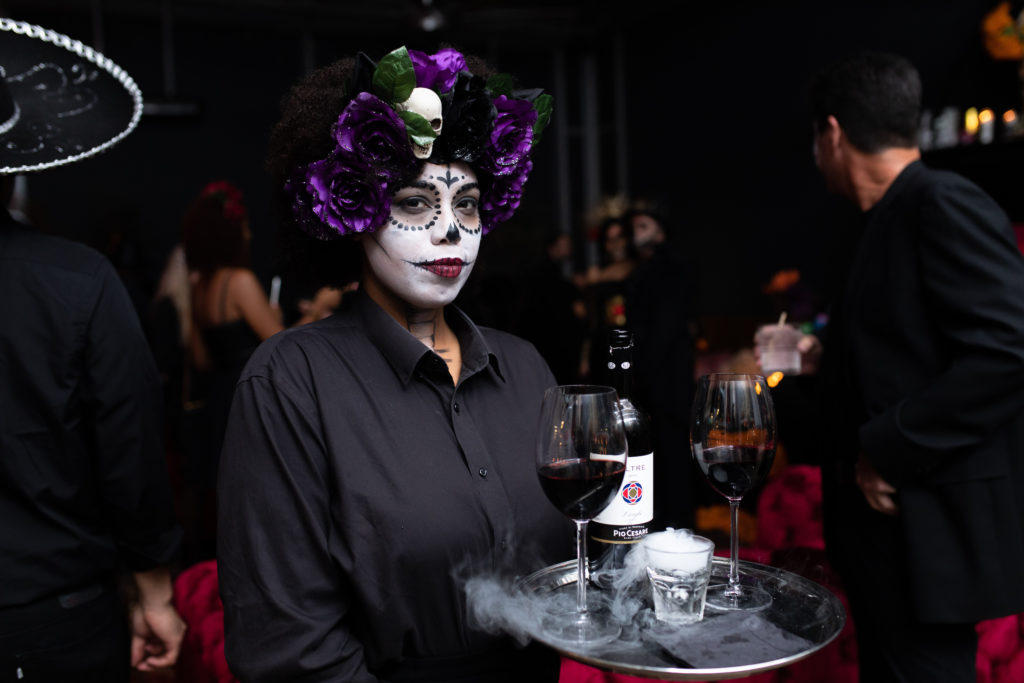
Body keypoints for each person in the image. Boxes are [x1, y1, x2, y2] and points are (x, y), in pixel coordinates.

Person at [216, 46, 569, 681]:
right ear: (354, 211)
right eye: (414, 203)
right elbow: (288, 645)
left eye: (467, 204)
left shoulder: (526, 366)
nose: (451, 232)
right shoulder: (290, 382)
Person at [803, 51, 1024, 682]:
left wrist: (889, 448)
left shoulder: (941, 201)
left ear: (834, 133)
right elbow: (911, 351)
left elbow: (1010, 347)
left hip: (926, 534)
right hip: (890, 540)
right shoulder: (888, 216)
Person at [0, 19, 184, 680]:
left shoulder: (81, 282)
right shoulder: (78, 280)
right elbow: (131, 450)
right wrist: (156, 593)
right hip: (57, 621)